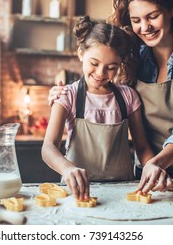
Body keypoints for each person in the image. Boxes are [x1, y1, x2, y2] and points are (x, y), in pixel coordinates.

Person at [48, 0, 173, 194]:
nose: (144, 27)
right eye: (136, 20)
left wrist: (157, 164)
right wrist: (60, 96)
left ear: (172, 10)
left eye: (152, 16)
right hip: (144, 172)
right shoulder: (133, 55)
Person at [42, 15, 157, 200]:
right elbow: (48, 148)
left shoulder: (128, 96)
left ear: (120, 64)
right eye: (94, 63)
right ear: (81, 54)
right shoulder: (67, 95)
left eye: (111, 67)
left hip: (122, 190)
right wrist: (67, 169)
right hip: (78, 192)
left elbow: (142, 147)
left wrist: (152, 167)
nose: (100, 73)